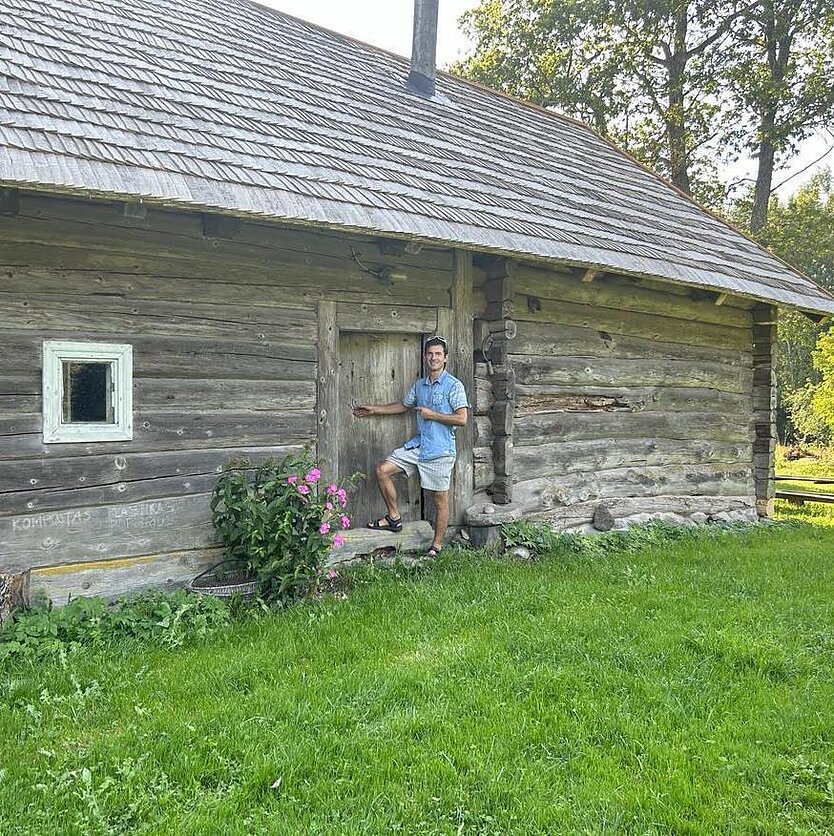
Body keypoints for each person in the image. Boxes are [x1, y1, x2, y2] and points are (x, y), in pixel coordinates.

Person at [352, 335, 469, 557]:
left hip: (440, 451)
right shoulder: (420, 385)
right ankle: (394, 517)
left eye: (438, 354)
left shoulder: (454, 385)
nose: (433, 358)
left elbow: (462, 418)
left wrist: (432, 414)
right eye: (430, 354)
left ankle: (436, 546)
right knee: (382, 470)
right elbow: (403, 405)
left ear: (445, 359)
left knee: (439, 500)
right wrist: (375, 409)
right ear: (425, 357)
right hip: (419, 446)